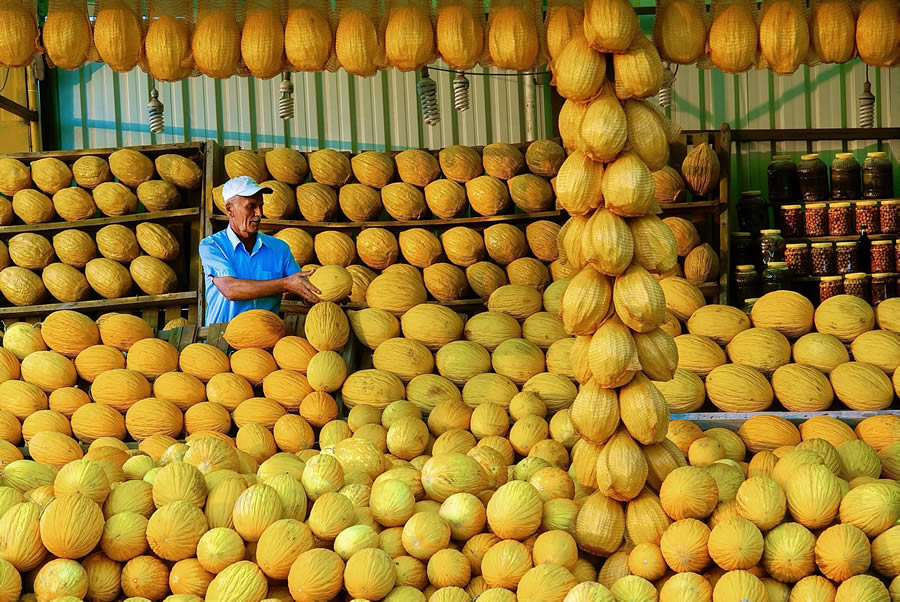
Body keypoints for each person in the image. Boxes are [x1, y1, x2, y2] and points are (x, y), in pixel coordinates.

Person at [199, 175, 320, 325]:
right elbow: (231, 289)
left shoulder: (279, 248)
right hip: (222, 341)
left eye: (260, 206)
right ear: (230, 209)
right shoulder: (213, 246)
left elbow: (300, 286)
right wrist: (284, 284)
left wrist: (325, 294)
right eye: (251, 206)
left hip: (266, 341)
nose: (259, 214)